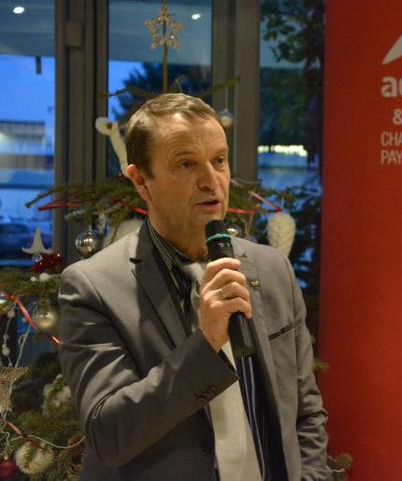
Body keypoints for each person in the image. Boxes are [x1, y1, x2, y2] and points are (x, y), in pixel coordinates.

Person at [58, 93, 330, 481]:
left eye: (219, 160)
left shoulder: (272, 270)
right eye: (186, 164)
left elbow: (305, 410)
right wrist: (205, 345)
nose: (211, 180)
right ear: (141, 181)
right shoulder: (92, 287)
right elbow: (110, 435)